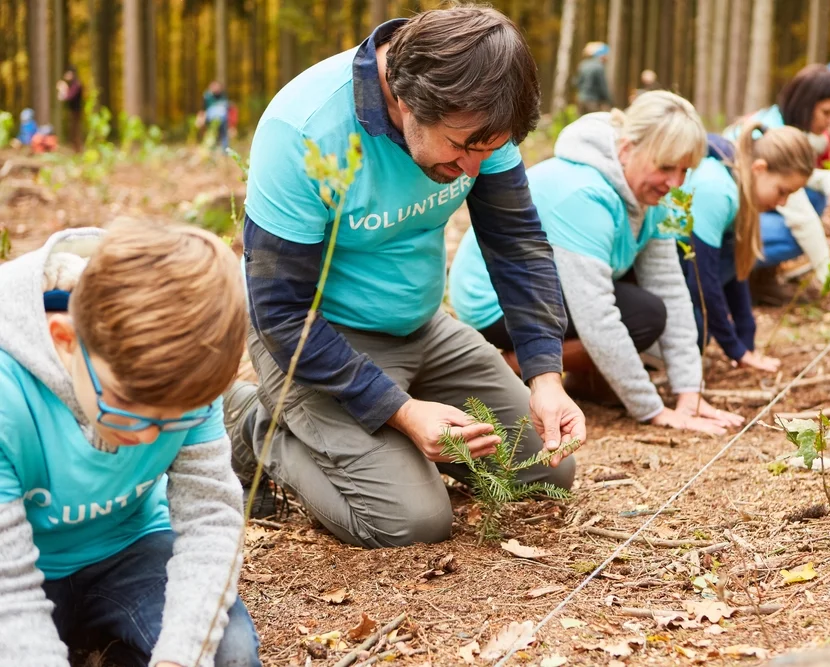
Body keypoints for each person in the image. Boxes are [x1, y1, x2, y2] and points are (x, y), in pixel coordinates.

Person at [224, 7, 584, 548]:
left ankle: (375, 443)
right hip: (314, 345)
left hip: (421, 326)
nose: (472, 170)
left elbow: (517, 246)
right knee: (412, 521)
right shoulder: (301, 131)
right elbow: (280, 312)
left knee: (547, 471)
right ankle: (258, 424)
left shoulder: (483, 111)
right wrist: (402, 412)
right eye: (460, 147)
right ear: (406, 99)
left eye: (488, 152)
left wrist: (545, 375)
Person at [0, 222, 260, 666]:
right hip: (20, 568)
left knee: (228, 654)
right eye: (125, 405)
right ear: (66, 341)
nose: (142, 438)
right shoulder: (8, 388)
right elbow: (9, 590)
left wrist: (179, 656)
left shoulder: (190, 364)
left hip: (130, 547)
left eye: (169, 421)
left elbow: (209, 518)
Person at [449, 92, 744, 435]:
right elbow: (597, 318)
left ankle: (584, 380)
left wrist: (689, 394)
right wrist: (652, 410)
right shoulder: (584, 194)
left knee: (653, 308)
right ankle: (506, 367)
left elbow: (671, 289)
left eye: (685, 171)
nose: (675, 183)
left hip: (555, 288)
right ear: (626, 150)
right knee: (644, 315)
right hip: (496, 300)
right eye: (665, 167)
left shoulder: (653, 196)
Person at [681, 125, 816, 372]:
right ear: (760, 168)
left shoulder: (740, 183)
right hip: (658, 276)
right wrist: (736, 350)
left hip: (686, 269)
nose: (783, 202)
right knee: (697, 333)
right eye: (782, 191)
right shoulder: (718, 191)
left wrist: (746, 337)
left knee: (702, 331)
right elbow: (703, 282)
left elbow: (735, 267)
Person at [728, 65, 830, 314]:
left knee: (814, 197)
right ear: (806, 104)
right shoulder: (775, 133)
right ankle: (742, 275)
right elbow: (802, 219)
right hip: (726, 224)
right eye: (826, 112)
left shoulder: (779, 121)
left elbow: (803, 181)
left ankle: (760, 278)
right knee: (800, 221)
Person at [575, 42, 612, 113]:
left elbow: (578, 83)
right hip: (592, 101)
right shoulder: (599, 67)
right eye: (606, 54)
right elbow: (602, 87)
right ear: (602, 55)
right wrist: (609, 101)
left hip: (581, 100)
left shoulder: (583, 64)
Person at [56, 67, 83, 152]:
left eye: (67, 73)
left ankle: (78, 150)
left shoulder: (76, 84)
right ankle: (76, 150)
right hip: (73, 110)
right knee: (73, 130)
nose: (66, 75)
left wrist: (63, 90)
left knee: (75, 130)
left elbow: (70, 96)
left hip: (76, 111)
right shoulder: (73, 84)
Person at [202, 80, 230, 150]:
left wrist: (232, 125)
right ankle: (211, 149)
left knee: (223, 134)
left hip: (223, 120)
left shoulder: (223, 96)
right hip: (211, 119)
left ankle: (225, 150)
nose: (216, 89)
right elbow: (203, 109)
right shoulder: (207, 96)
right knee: (211, 134)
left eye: (217, 87)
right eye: (214, 87)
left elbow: (229, 109)